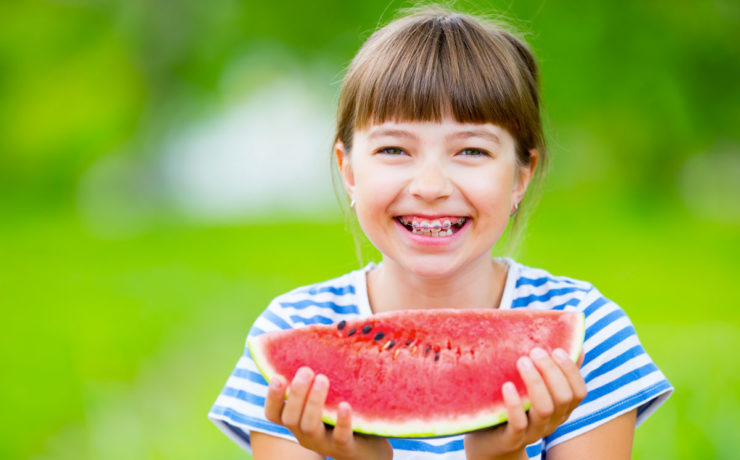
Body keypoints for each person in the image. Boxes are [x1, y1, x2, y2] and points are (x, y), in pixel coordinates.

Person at [209, 5, 672, 459]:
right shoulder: (293, 329)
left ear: (520, 176)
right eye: (394, 149)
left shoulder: (591, 336)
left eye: (471, 151)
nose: (430, 187)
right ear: (348, 171)